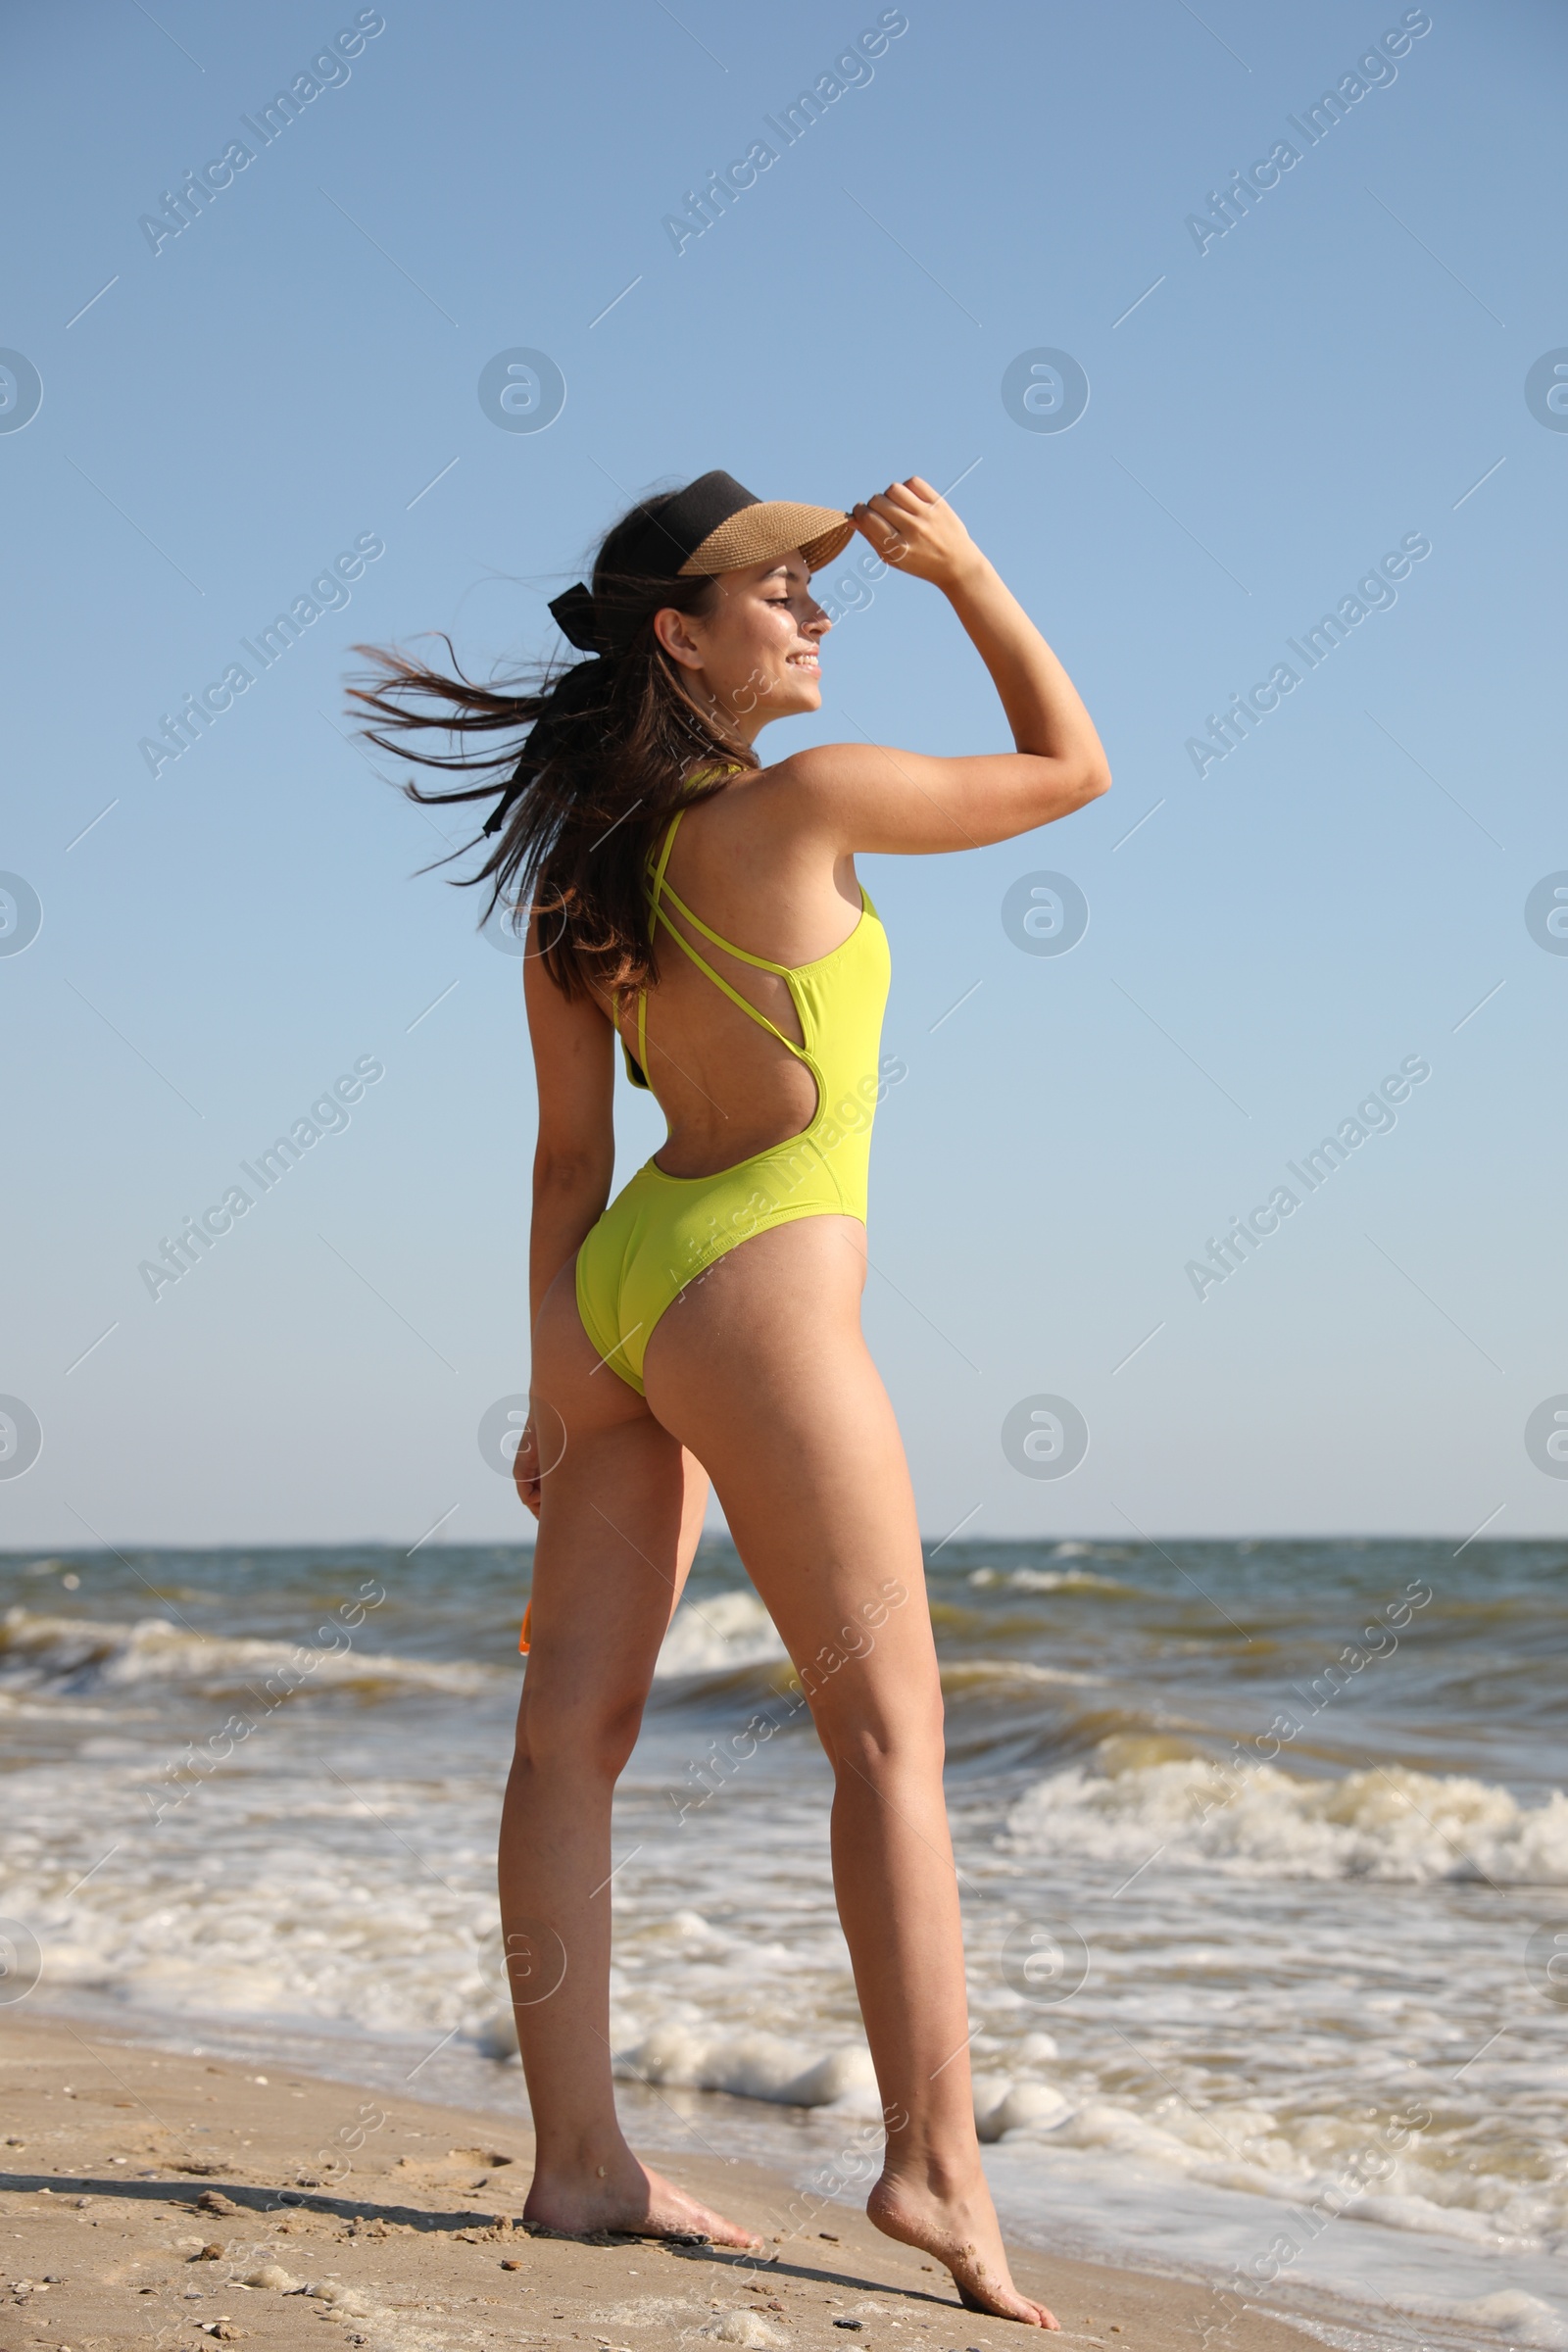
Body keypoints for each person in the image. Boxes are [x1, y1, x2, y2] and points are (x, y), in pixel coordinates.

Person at [355, 470, 1109, 2328]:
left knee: (567, 1744)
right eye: (782, 589)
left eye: (824, 584)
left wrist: (559, 1378)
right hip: (757, 1285)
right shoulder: (816, 802)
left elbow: (561, 1163)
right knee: (892, 1747)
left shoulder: (575, 884)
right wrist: (976, 576)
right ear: (680, 639)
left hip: (620, 1289)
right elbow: (1072, 767)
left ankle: (583, 2163)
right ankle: (934, 2163)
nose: (820, 609)